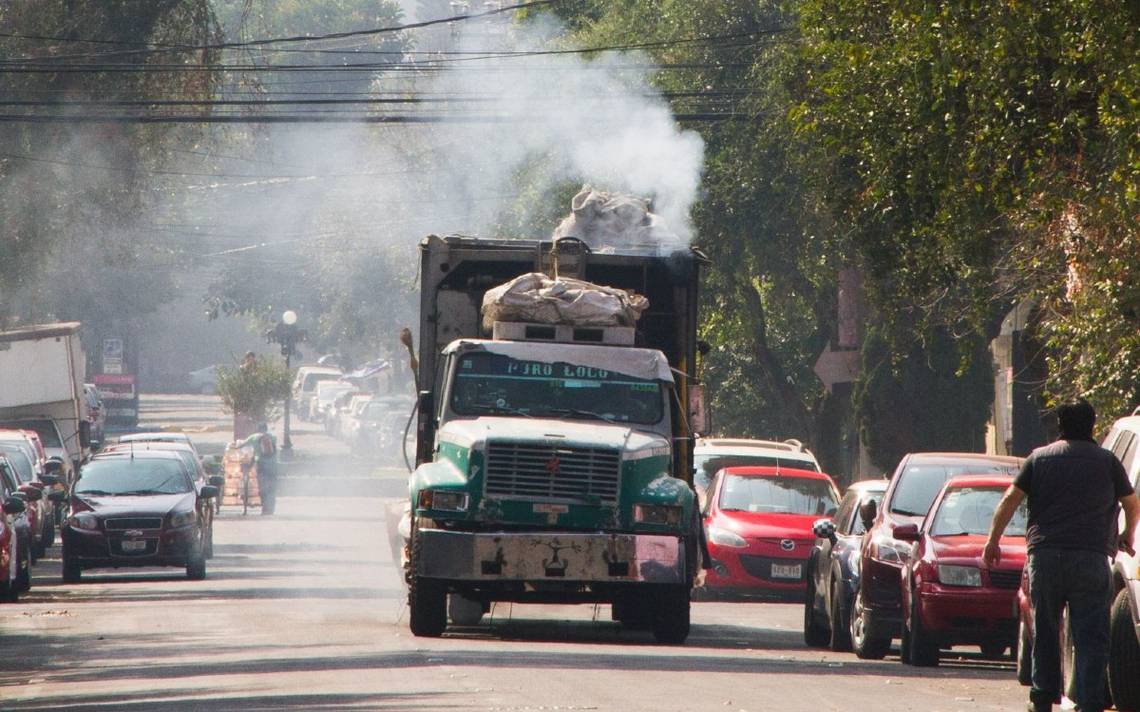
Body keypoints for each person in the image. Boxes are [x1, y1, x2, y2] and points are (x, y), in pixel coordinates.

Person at [984, 399, 1140, 712]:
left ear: (1059, 425)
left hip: (1046, 557)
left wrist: (993, 541)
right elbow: (1132, 503)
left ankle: (1042, 699)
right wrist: (1126, 534)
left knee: (1045, 630)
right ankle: (1090, 701)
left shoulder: (1039, 459)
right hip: (1091, 559)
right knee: (1091, 635)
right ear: (1093, 425)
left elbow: (1010, 500)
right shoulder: (1108, 462)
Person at [243, 422, 278, 515]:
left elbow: (241, 445)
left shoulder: (254, 437)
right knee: (272, 487)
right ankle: (271, 508)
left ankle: (265, 509)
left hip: (262, 466)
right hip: (273, 466)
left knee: (263, 486)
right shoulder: (273, 437)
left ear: (258, 429)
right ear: (266, 429)